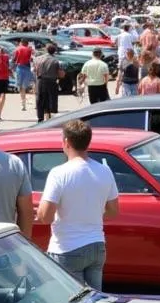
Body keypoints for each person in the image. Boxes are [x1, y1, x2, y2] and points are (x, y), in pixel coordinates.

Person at [34, 120, 119, 289]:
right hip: (97, 245)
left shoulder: (58, 173)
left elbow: (45, 217)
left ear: (66, 142)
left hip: (67, 247)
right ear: (88, 142)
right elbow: (113, 211)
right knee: (94, 301)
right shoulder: (104, 171)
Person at [33, 44, 63, 122]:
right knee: (52, 100)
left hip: (40, 81)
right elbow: (61, 74)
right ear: (54, 51)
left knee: (40, 99)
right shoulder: (56, 61)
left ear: (46, 50)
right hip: (51, 82)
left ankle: (40, 118)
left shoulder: (37, 59)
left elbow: (34, 70)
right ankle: (52, 118)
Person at [13, 38, 35, 112]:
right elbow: (31, 59)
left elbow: (14, 59)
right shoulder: (29, 50)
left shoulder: (17, 49)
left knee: (21, 87)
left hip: (19, 68)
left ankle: (23, 104)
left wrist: (12, 67)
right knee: (32, 84)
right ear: (26, 43)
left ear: (21, 43)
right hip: (27, 68)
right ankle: (35, 101)